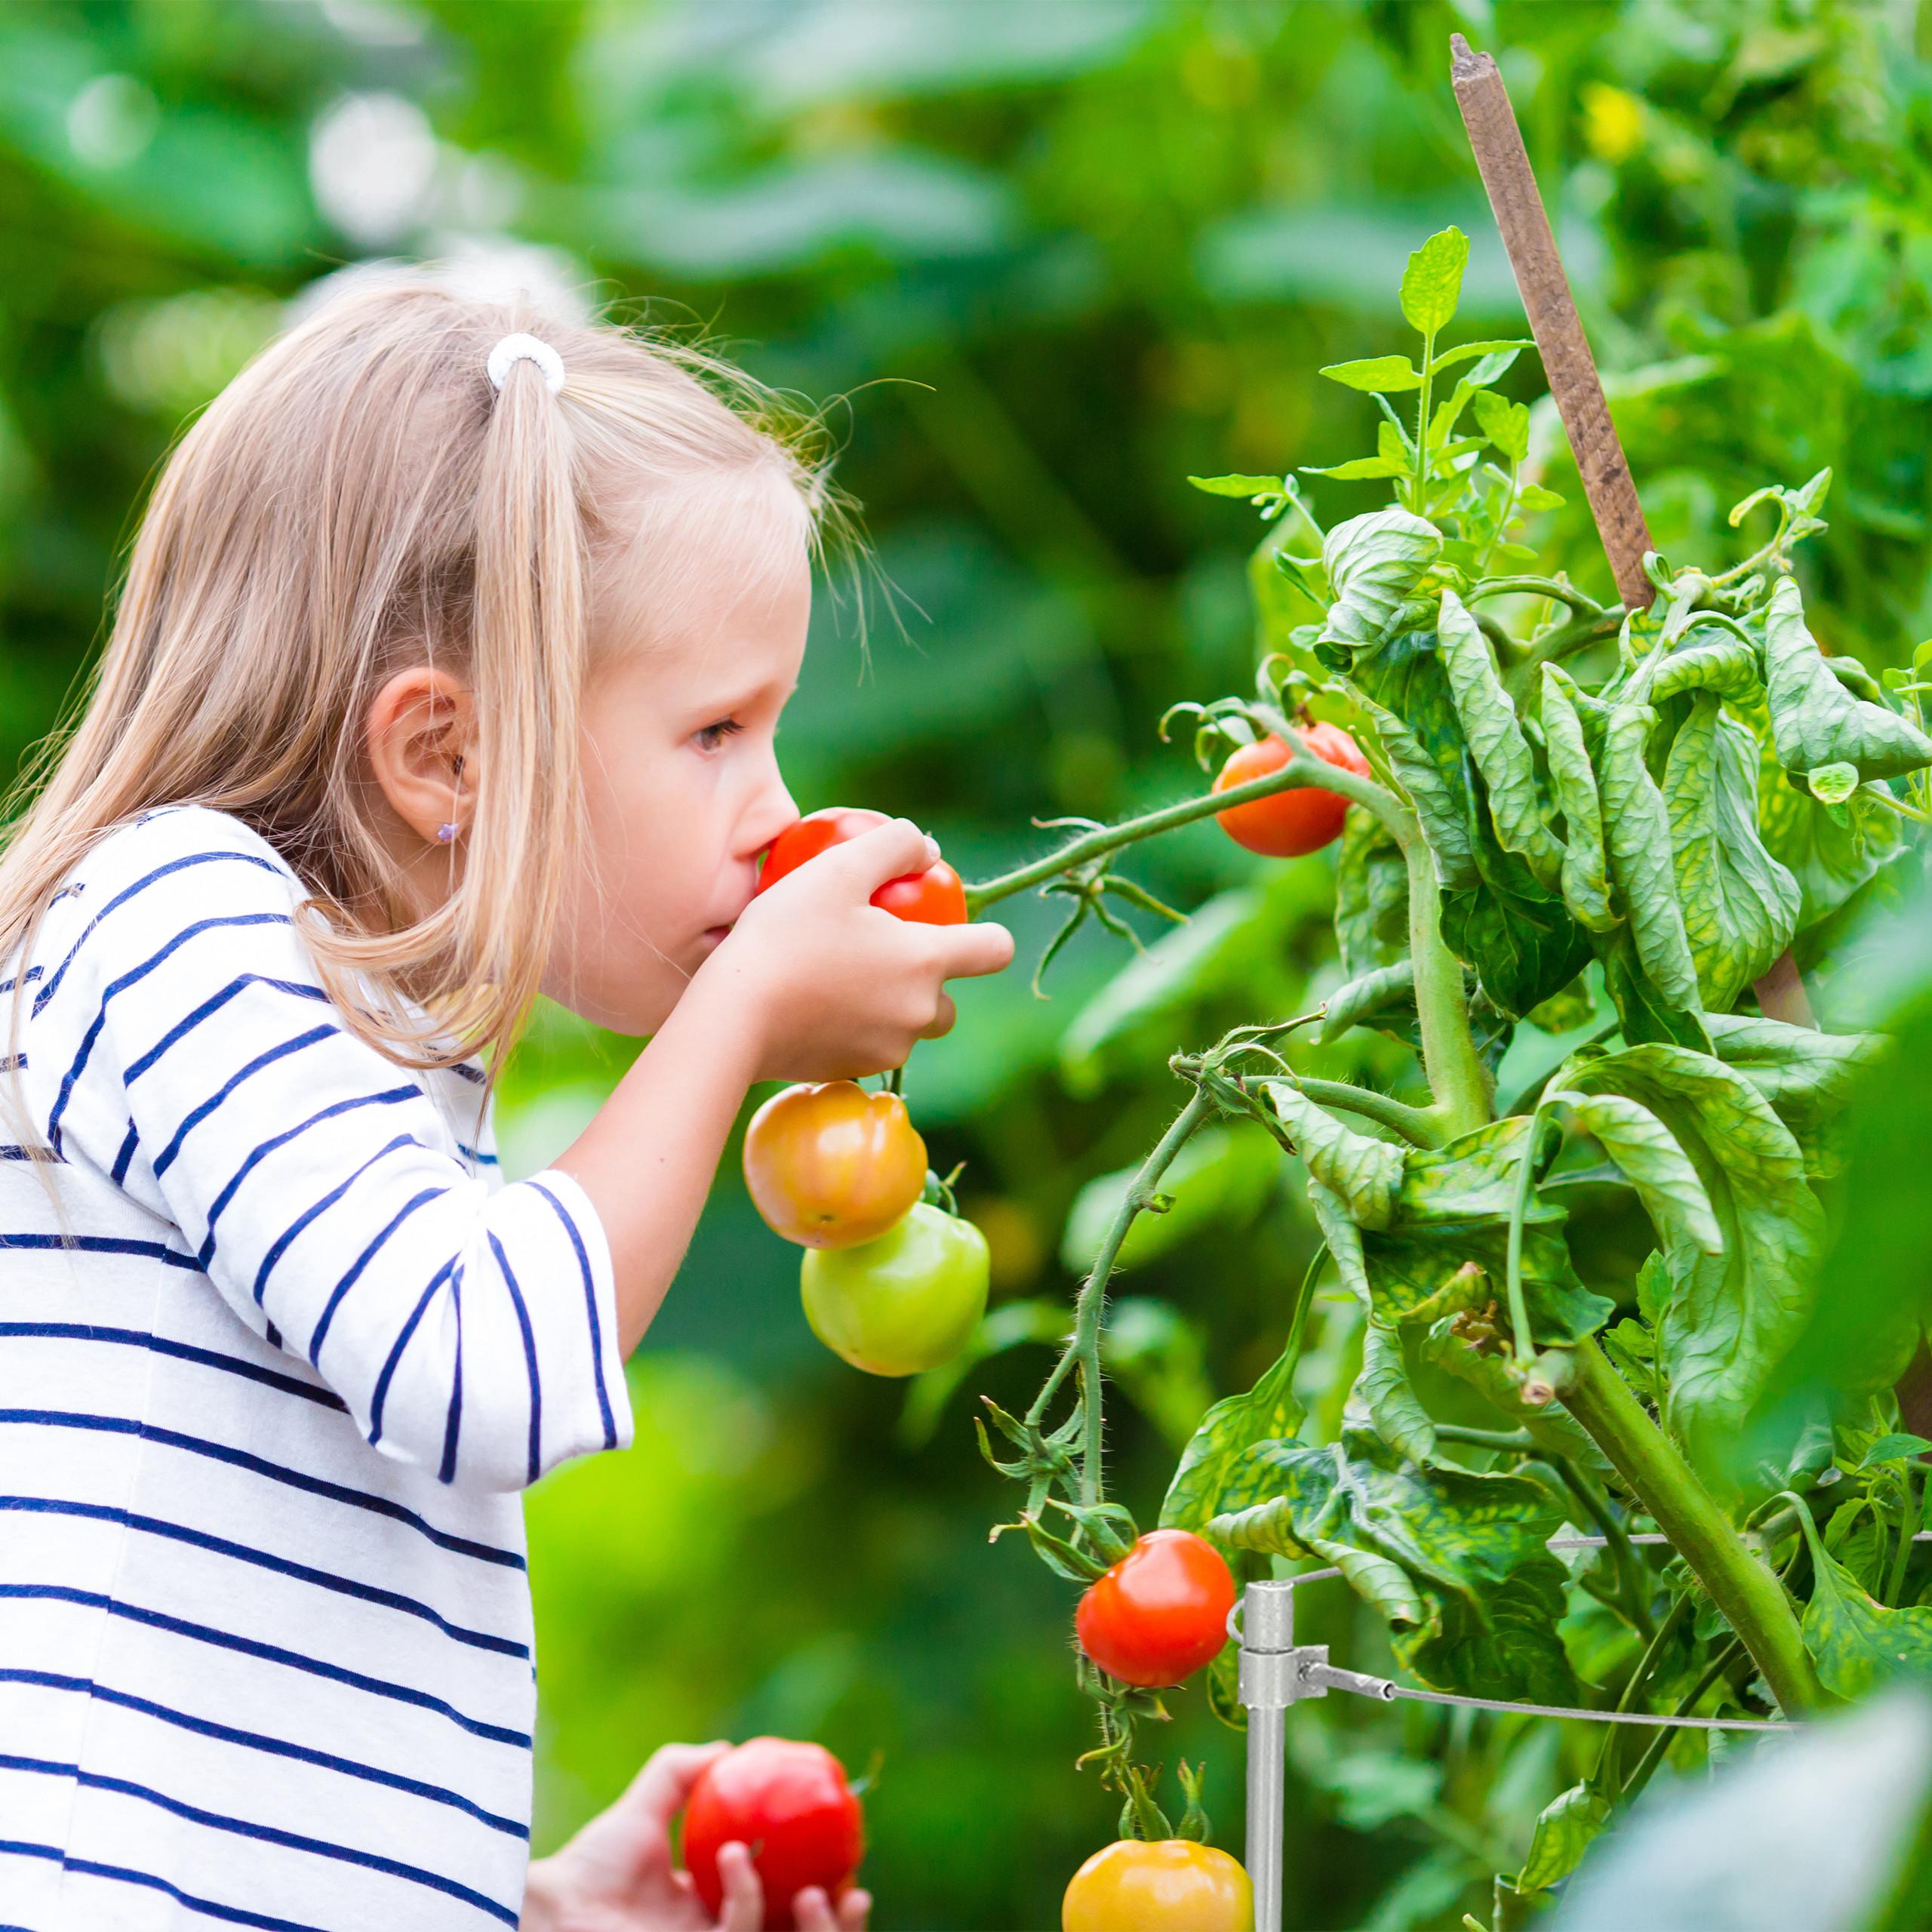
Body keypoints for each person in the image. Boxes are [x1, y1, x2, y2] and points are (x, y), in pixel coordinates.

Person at [0, 275, 1014, 1930]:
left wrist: (529, 1907)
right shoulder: (179, 918)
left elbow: (261, 1724)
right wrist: (748, 999)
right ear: (445, 756)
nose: (773, 808)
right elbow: (478, 1366)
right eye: (713, 728)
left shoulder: (361, 1051)